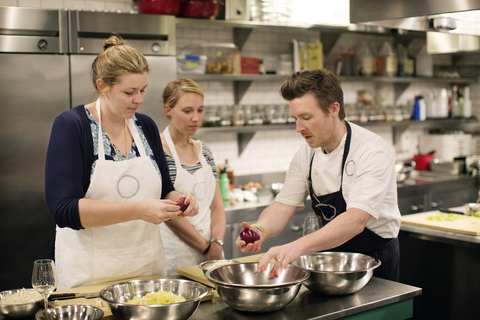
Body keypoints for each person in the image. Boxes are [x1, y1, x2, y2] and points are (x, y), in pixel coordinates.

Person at [45, 34, 199, 290]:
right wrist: (138, 210)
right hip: (90, 276)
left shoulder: (145, 126)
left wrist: (181, 201)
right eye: (129, 92)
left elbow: (164, 191)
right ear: (102, 85)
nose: (138, 99)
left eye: (142, 90)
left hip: (146, 272)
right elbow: (64, 210)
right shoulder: (73, 126)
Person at [236, 69, 401, 281]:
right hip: (330, 259)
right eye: (295, 118)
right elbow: (283, 205)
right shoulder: (307, 153)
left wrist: (297, 247)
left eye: (306, 117)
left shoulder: (371, 150)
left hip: (374, 263)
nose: (298, 128)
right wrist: (260, 229)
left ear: (334, 109)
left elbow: (355, 221)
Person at [159, 79, 226, 276]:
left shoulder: (203, 151)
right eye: (187, 111)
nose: (195, 118)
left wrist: (217, 243)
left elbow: (218, 206)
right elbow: (169, 215)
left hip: (212, 254)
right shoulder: (158, 151)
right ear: (168, 109)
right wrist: (205, 248)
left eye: (200, 110)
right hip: (176, 254)